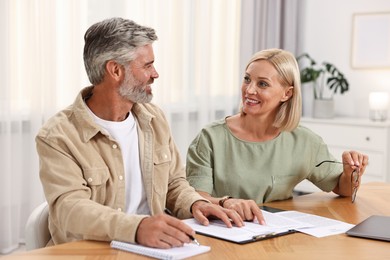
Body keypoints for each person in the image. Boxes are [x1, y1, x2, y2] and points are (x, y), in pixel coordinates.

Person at [35, 17, 244, 249]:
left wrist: (196, 203)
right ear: (115, 70)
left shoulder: (154, 119)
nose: (155, 74)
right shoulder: (58, 136)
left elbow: (174, 183)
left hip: (151, 249)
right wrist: (136, 228)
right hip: (89, 252)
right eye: (147, 65)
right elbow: (70, 208)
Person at [186, 48, 369, 223]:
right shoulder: (210, 138)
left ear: (287, 93)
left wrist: (350, 173)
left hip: (276, 237)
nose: (249, 90)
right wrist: (227, 202)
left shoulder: (305, 142)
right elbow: (195, 200)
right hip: (225, 232)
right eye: (247, 79)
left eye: (262, 84)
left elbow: (341, 188)